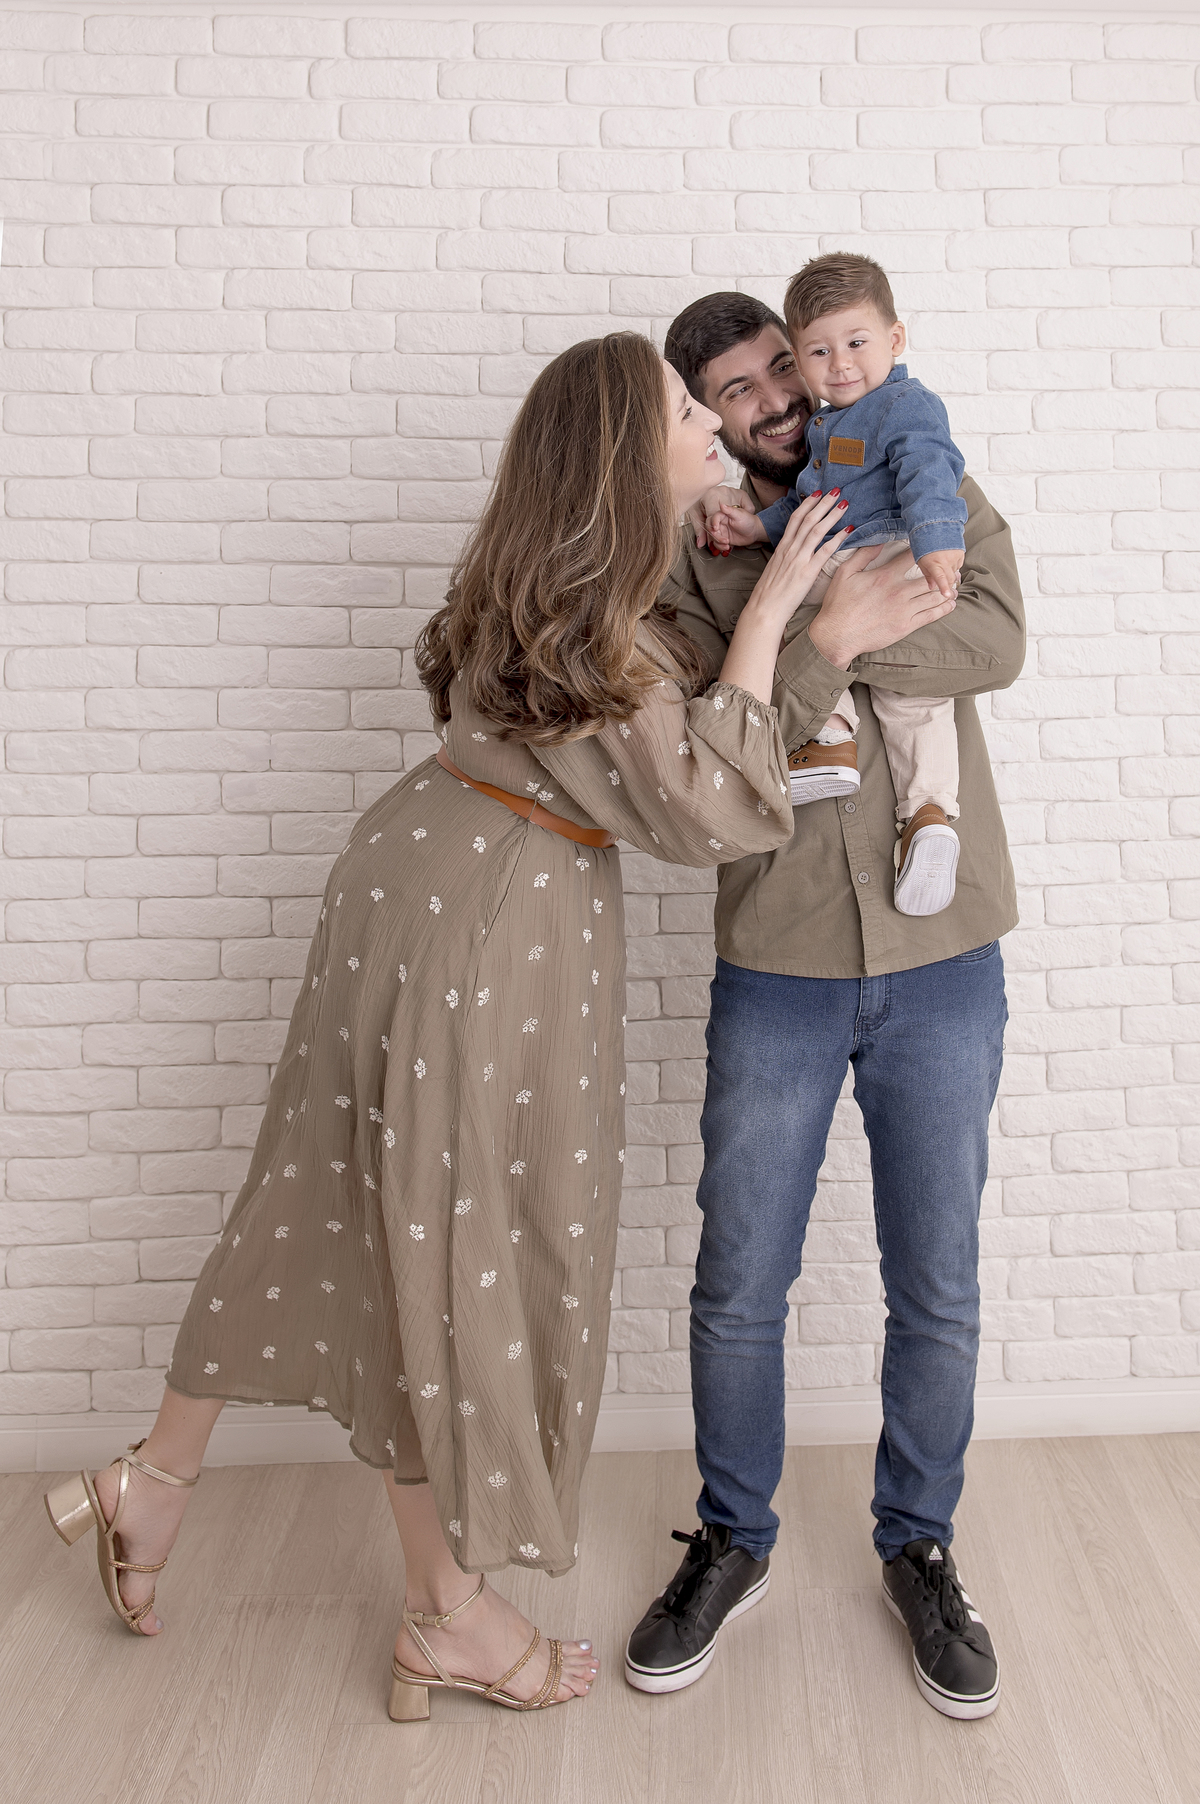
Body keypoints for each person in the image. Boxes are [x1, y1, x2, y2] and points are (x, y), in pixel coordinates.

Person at [44, 332, 953, 1723]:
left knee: (347, 1198)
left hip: (416, 875)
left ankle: (157, 1479)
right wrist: (799, 624)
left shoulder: (557, 578)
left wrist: (759, 598)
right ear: (626, 451)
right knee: (443, 1242)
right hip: (488, 924)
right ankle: (447, 1612)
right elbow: (704, 808)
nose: (716, 428)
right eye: (688, 411)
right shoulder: (598, 610)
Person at [623, 291, 1025, 1721]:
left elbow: (996, 637)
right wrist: (820, 626)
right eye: (733, 392)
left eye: (779, 371)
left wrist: (829, 632)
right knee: (740, 1280)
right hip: (778, 964)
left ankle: (919, 1545)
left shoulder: (918, 461)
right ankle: (732, 1539)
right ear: (708, 414)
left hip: (944, 957)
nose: (775, 401)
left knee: (939, 1280)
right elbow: (704, 743)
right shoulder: (685, 562)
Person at [701, 254, 971, 919]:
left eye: (856, 344)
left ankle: (928, 816)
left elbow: (929, 470)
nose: (841, 365)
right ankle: (832, 739)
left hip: (896, 554)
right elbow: (810, 504)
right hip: (831, 554)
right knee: (785, 617)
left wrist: (937, 542)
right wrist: (754, 527)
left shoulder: (905, 407)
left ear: (895, 340)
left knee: (917, 701)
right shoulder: (828, 432)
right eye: (820, 352)